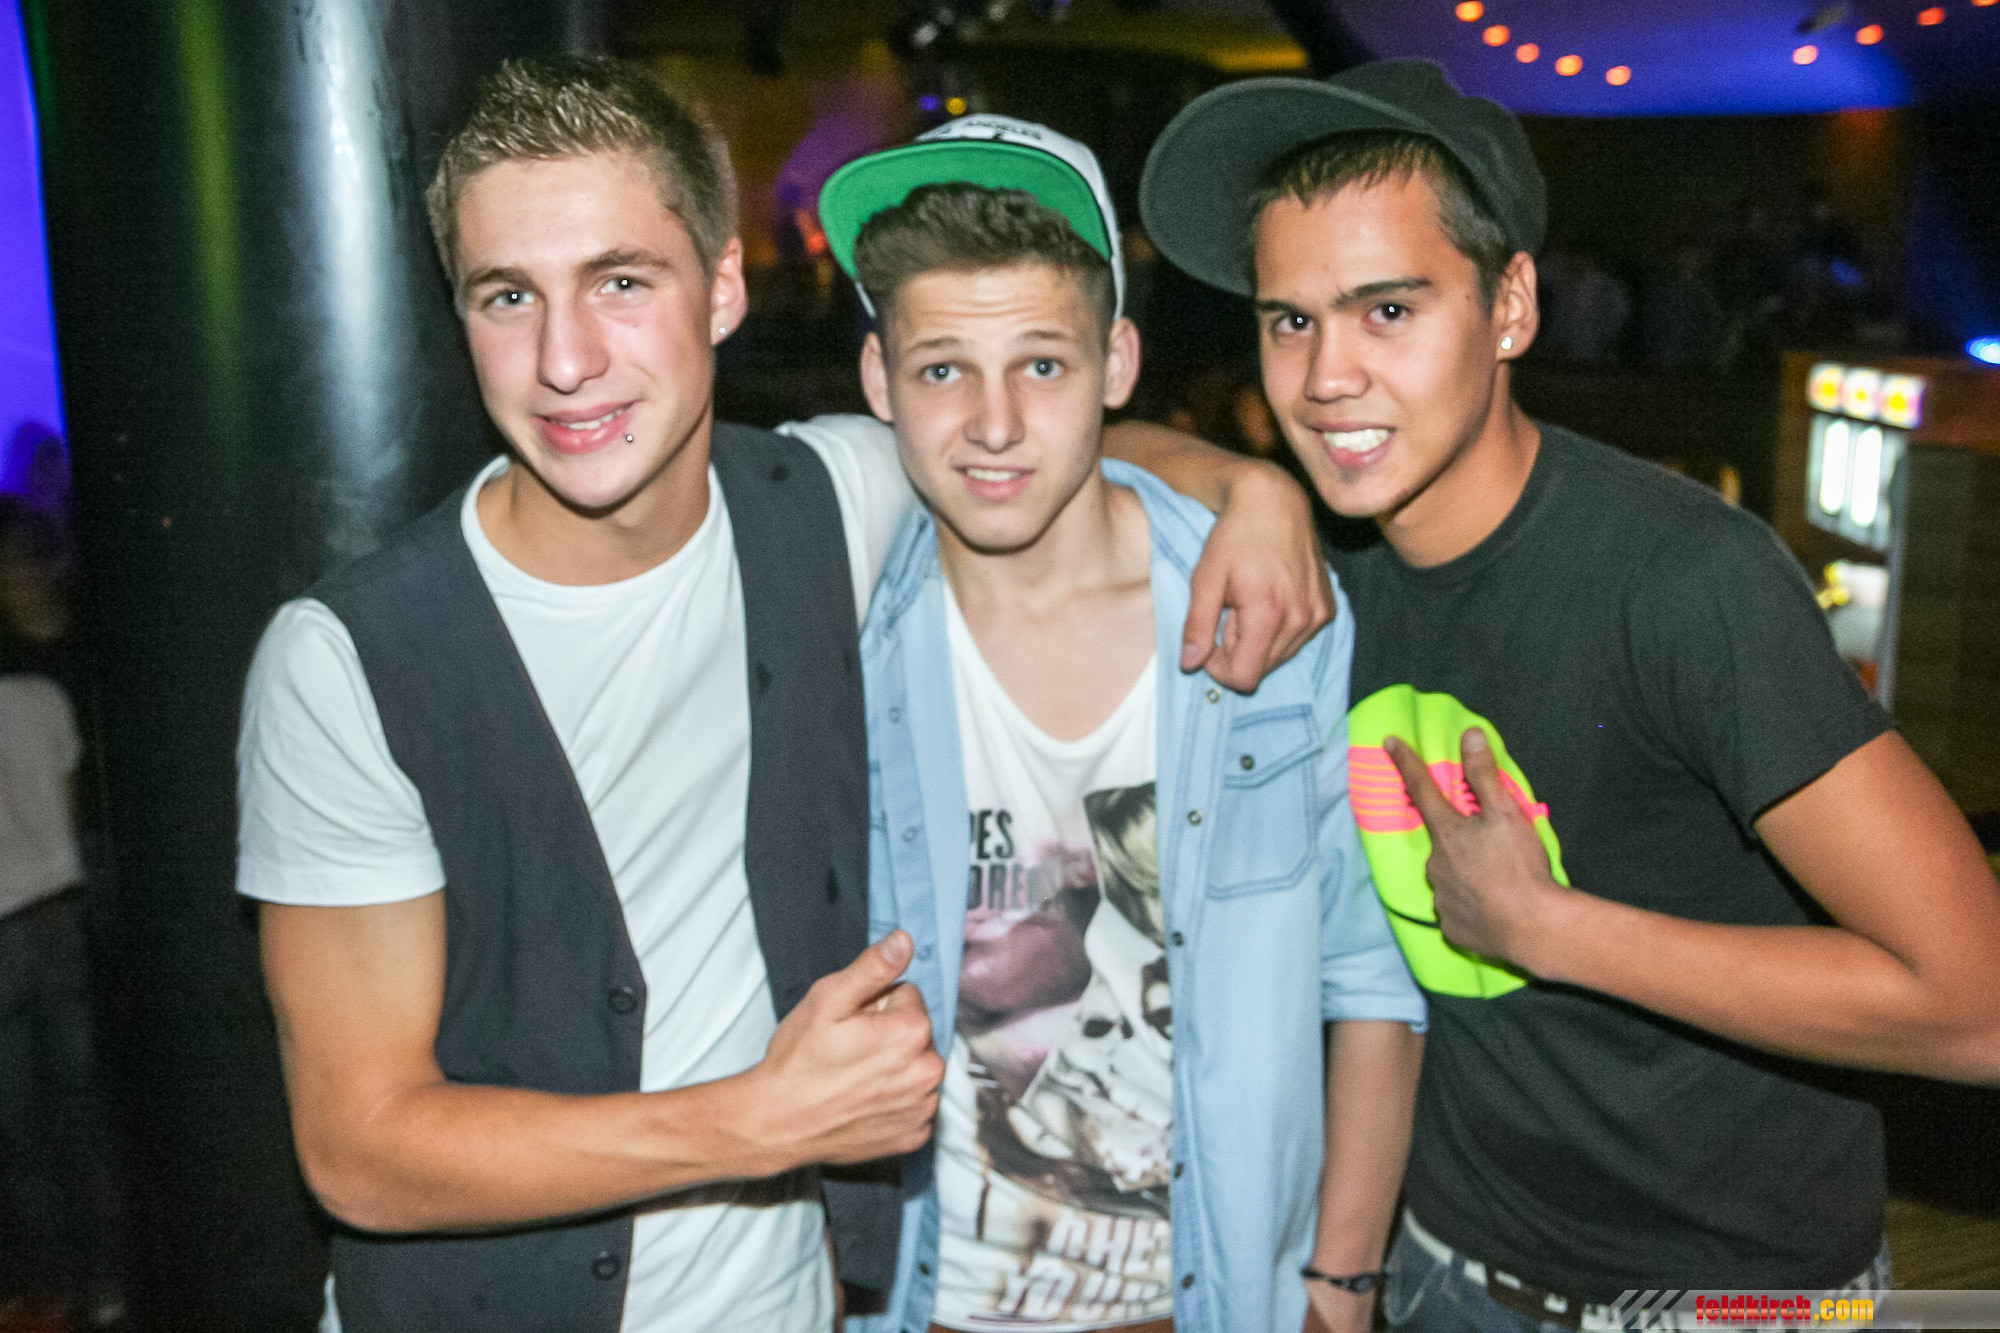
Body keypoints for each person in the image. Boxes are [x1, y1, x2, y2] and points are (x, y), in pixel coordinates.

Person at [236, 57, 1332, 1333]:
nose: (563, 359)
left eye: (620, 282)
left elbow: (1029, 427)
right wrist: (756, 1121)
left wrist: (1254, 489)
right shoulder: (349, 661)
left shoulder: (829, 499)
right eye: (507, 295)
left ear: (721, 289)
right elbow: (359, 1150)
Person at [1136, 59, 2000, 1332]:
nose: (1325, 377)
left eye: (1387, 310)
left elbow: (1975, 1007)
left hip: (1724, 1298)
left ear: (1510, 308)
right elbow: (1077, 447)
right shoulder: (1325, 553)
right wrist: (1246, 485)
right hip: (1447, 1265)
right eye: (1289, 321)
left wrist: (1547, 928)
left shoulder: (1682, 581)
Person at [815, 115, 1425, 1333]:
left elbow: (1369, 974)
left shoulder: (1263, 609)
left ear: (1117, 363)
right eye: (941, 370)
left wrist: (1341, 1285)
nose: (993, 424)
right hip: (922, 1303)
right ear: (879, 380)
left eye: (1042, 365)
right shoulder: (837, 618)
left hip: (1214, 1303)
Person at [0, 497, 127, 1330]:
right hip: (60, 912)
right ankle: (109, 1281)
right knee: (79, 1111)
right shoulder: (45, 691)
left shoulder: (42, 680)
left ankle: (50, 1289)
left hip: (10, 925)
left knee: (20, 1126)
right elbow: (77, 807)